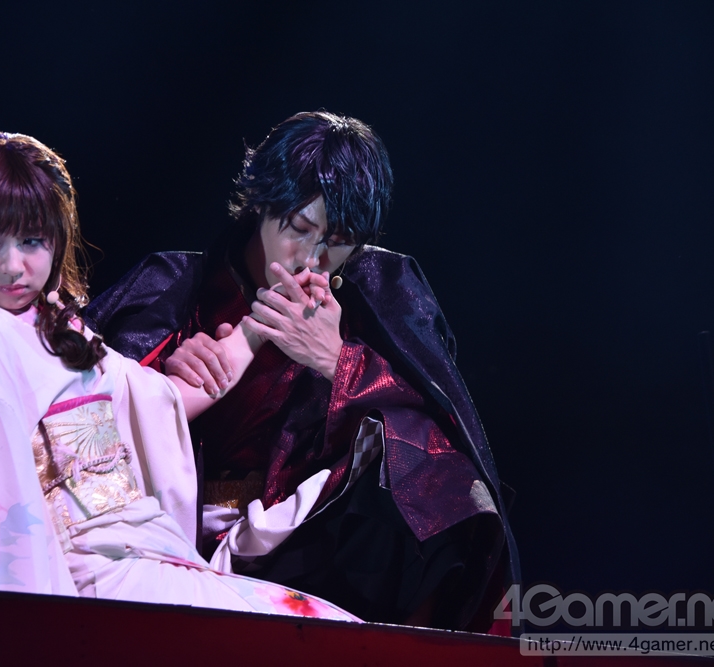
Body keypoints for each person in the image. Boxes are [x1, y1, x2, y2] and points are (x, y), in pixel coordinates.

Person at [0, 132, 358, 620]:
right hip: (85, 575)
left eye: (32, 241)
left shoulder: (48, 325)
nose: (13, 266)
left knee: (332, 629)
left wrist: (259, 325)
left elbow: (158, 402)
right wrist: (32, 621)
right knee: (323, 635)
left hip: (134, 560)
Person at [85, 111, 519, 631]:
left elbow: (447, 426)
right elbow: (74, 407)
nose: (312, 259)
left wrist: (338, 362)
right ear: (260, 204)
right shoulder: (172, 286)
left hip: (309, 546)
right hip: (170, 526)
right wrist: (156, 378)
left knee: (442, 476)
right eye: (299, 228)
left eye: (338, 240)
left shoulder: (383, 292)